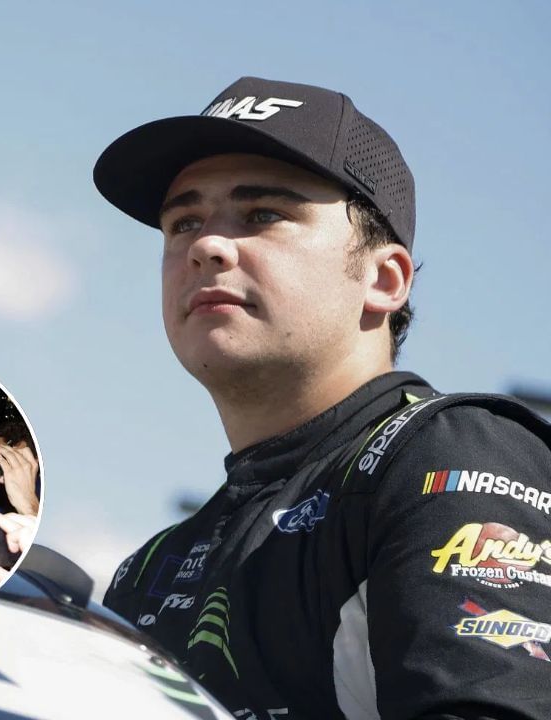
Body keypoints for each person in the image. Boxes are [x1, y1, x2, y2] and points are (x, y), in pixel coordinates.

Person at [93, 76, 551, 719]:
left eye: (262, 215)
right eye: (183, 222)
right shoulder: (147, 571)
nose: (206, 246)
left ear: (384, 278)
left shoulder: (447, 454)